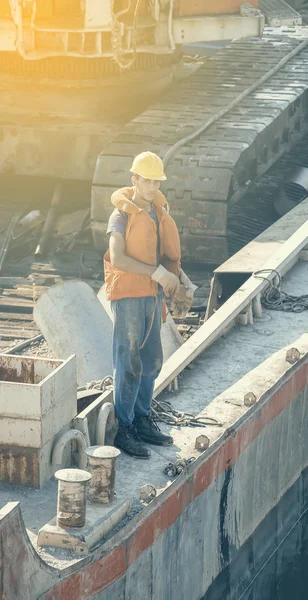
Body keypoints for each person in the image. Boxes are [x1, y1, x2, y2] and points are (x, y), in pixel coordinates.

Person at [104, 151, 194, 458]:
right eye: (145, 180)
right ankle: (124, 429)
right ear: (134, 180)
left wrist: (181, 279)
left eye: (156, 181)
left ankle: (142, 419)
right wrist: (156, 273)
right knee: (128, 363)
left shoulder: (157, 212)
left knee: (152, 358)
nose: (151, 187)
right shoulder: (120, 216)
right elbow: (117, 258)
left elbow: (163, 253)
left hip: (153, 297)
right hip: (129, 297)